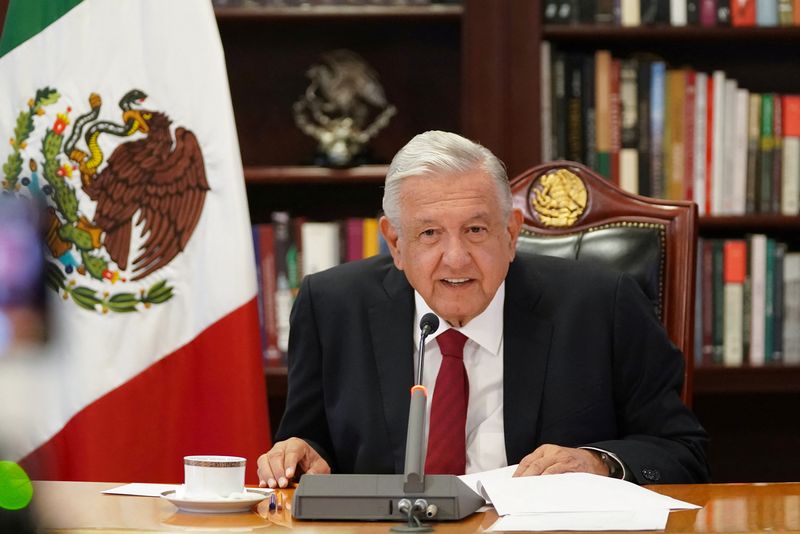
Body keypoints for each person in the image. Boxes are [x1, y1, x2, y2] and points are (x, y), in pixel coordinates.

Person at [257, 130, 709, 489]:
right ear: (395, 243)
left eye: (475, 229)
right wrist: (300, 456)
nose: (456, 258)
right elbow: (310, 444)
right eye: (429, 234)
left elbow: (681, 452)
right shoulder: (332, 307)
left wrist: (599, 462)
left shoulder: (601, 306)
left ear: (511, 234)